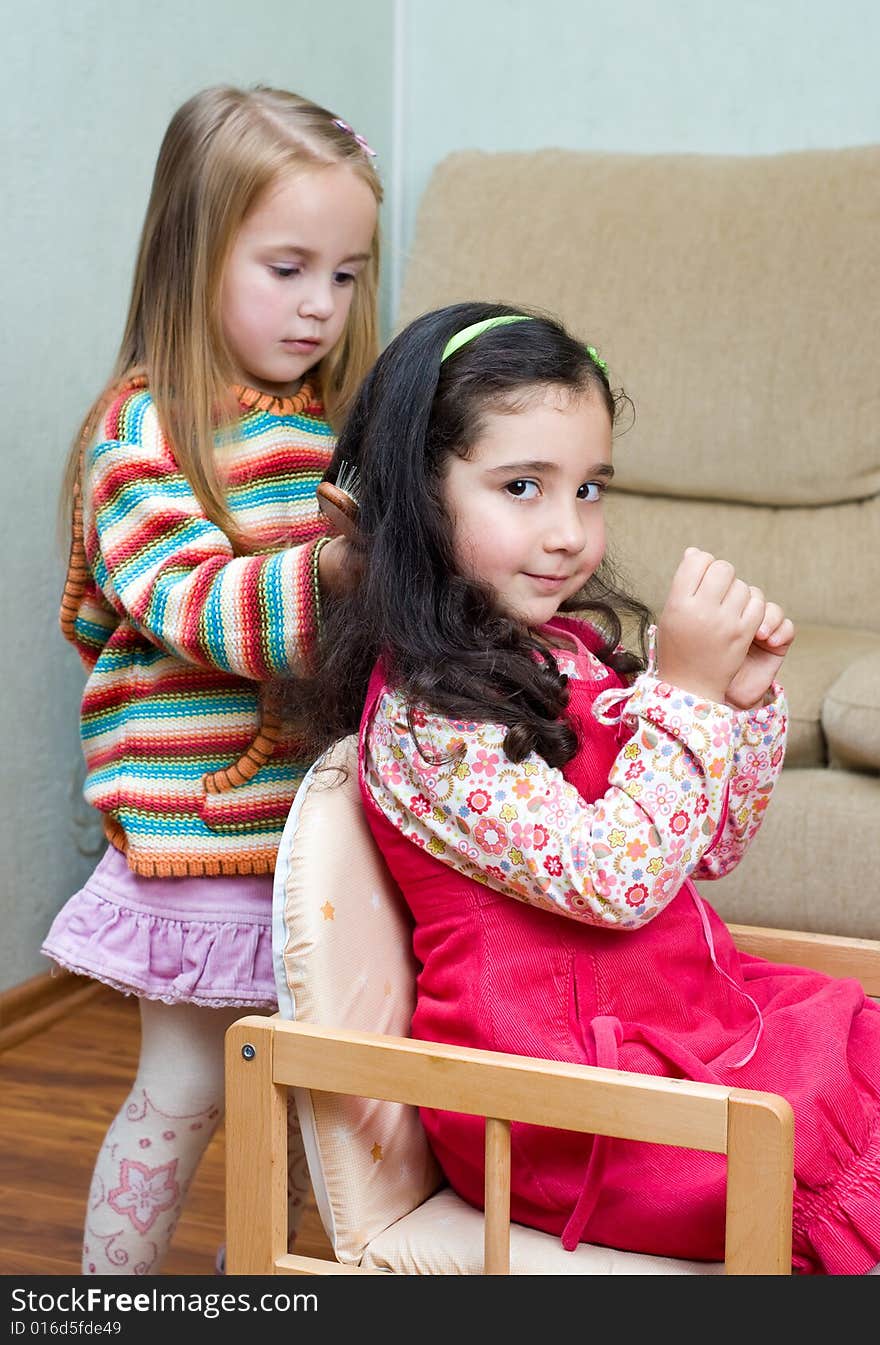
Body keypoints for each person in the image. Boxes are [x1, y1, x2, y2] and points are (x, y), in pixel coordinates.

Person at [296, 300, 880, 1275]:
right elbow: (617, 880)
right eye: (521, 486)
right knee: (825, 1136)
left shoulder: (562, 653)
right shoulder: (433, 719)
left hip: (678, 1024)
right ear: (418, 494)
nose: (568, 532)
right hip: (564, 1106)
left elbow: (707, 848)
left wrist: (736, 705)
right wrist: (684, 695)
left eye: (589, 488)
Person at [41, 83, 382, 1275]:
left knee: (310, 1102)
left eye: (345, 275)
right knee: (185, 1085)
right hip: (198, 827)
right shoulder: (140, 436)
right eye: (288, 266)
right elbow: (194, 602)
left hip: (315, 831)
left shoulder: (330, 421)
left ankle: (271, 1290)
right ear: (196, 255)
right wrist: (340, 574)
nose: (319, 307)